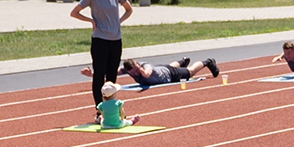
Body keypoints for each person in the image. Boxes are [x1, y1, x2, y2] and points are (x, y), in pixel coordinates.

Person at [70, 0, 134, 117]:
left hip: (115, 39)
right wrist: (91, 21)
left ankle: (111, 108)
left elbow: (129, 9)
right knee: (99, 75)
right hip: (100, 40)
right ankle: (99, 110)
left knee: (112, 75)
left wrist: (119, 21)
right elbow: (74, 12)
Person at [91, 55, 219, 89]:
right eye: (133, 72)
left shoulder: (145, 66)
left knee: (190, 71)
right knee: (168, 66)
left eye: (135, 71)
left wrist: (139, 69)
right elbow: (112, 73)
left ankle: (208, 62)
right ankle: (182, 61)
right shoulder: (130, 70)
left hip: (170, 75)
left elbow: (146, 74)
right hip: (164, 69)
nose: (135, 74)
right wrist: (92, 74)